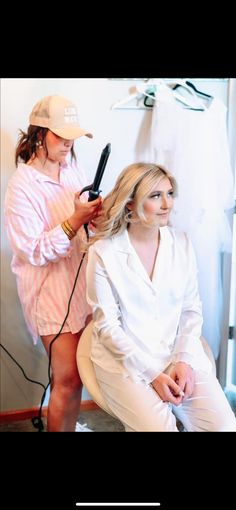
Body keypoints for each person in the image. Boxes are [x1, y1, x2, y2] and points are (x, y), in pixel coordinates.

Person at [86, 163, 236, 431]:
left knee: (225, 425)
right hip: (126, 362)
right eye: (155, 196)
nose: (167, 204)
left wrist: (183, 361)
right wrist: (152, 374)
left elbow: (191, 310)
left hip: (175, 354)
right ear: (130, 204)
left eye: (170, 193)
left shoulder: (182, 244)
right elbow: (107, 326)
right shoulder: (104, 253)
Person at [4, 95, 102, 432]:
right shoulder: (22, 186)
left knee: (81, 376)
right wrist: (75, 220)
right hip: (48, 293)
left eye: (72, 137)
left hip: (80, 285)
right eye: (61, 137)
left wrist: (94, 218)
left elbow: (81, 227)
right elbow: (32, 249)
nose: (68, 144)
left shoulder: (72, 168)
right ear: (38, 134)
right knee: (68, 378)